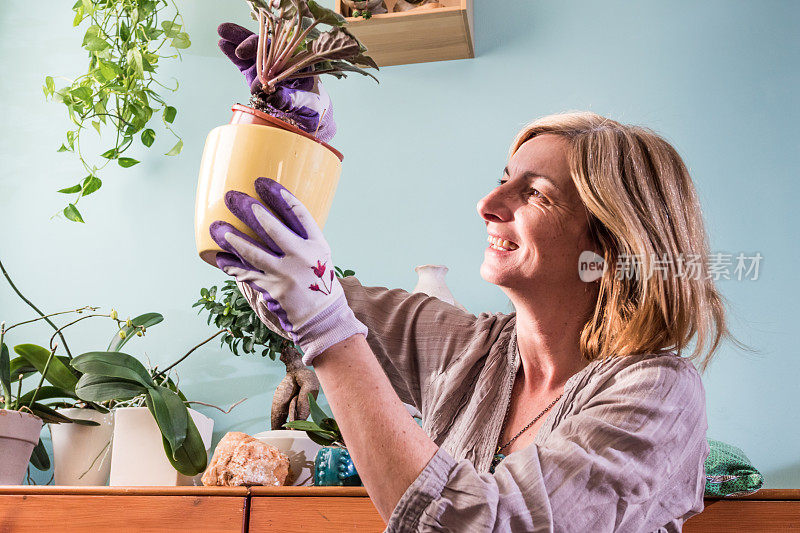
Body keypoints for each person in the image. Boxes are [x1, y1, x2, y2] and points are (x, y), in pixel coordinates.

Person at [213, 25, 735, 532]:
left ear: (611, 243)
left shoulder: (658, 395)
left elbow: (492, 524)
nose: (487, 205)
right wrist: (289, 140)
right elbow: (273, 271)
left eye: (534, 193)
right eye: (503, 180)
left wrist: (328, 330)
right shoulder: (467, 348)